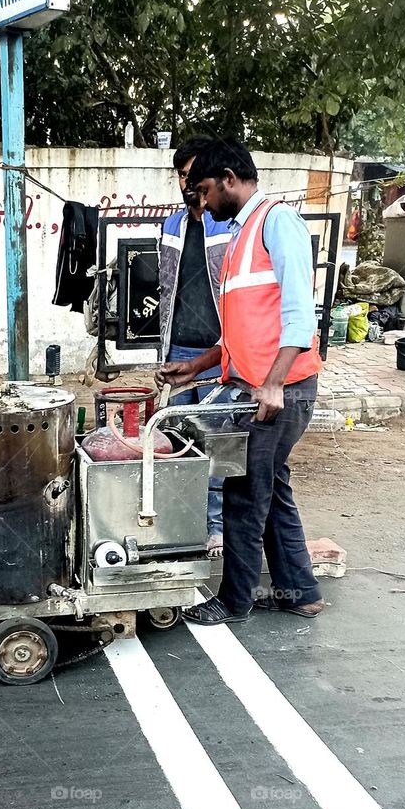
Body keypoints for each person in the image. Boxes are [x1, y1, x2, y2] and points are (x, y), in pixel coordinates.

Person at [156, 138, 324, 625]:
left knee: (245, 495)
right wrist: (198, 365)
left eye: (206, 190)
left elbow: (299, 314)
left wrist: (272, 384)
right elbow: (242, 330)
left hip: (279, 391)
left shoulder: (277, 221)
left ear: (230, 178)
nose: (203, 202)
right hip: (260, 385)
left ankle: (235, 600)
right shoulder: (239, 235)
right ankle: (300, 591)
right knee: (273, 489)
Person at [159, 137, 233, 556]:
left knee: (215, 448)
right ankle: (180, 525)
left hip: (219, 352)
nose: (186, 182)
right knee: (176, 444)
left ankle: (215, 529)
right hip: (179, 350)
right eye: (181, 175)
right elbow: (165, 287)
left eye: (191, 173)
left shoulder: (229, 225)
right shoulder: (171, 225)